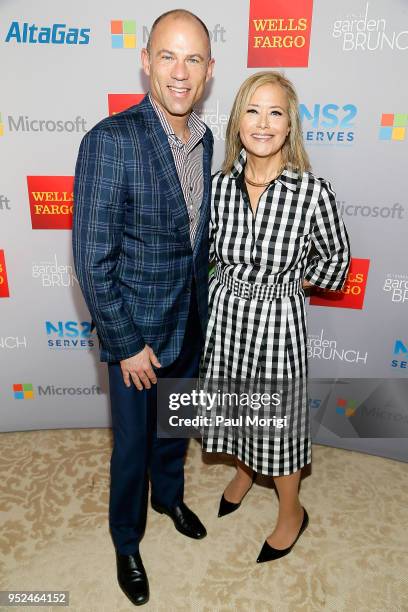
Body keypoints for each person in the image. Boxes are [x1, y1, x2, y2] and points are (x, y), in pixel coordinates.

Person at [73, 9, 214, 606]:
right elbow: (91, 259)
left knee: (173, 430)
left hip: (189, 323)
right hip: (136, 334)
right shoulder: (110, 141)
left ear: (209, 70)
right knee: (130, 446)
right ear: (145, 60)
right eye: (167, 56)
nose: (180, 73)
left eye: (193, 60)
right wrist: (126, 342)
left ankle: (169, 495)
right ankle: (126, 539)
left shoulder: (208, 142)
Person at [200, 71, 351, 564]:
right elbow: (208, 251)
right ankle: (246, 471)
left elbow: (336, 261)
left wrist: (290, 285)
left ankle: (292, 511)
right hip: (226, 316)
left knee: (278, 426)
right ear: (238, 120)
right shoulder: (219, 185)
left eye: (275, 112)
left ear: (290, 126)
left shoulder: (312, 192)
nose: (262, 123)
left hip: (277, 325)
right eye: (252, 110)